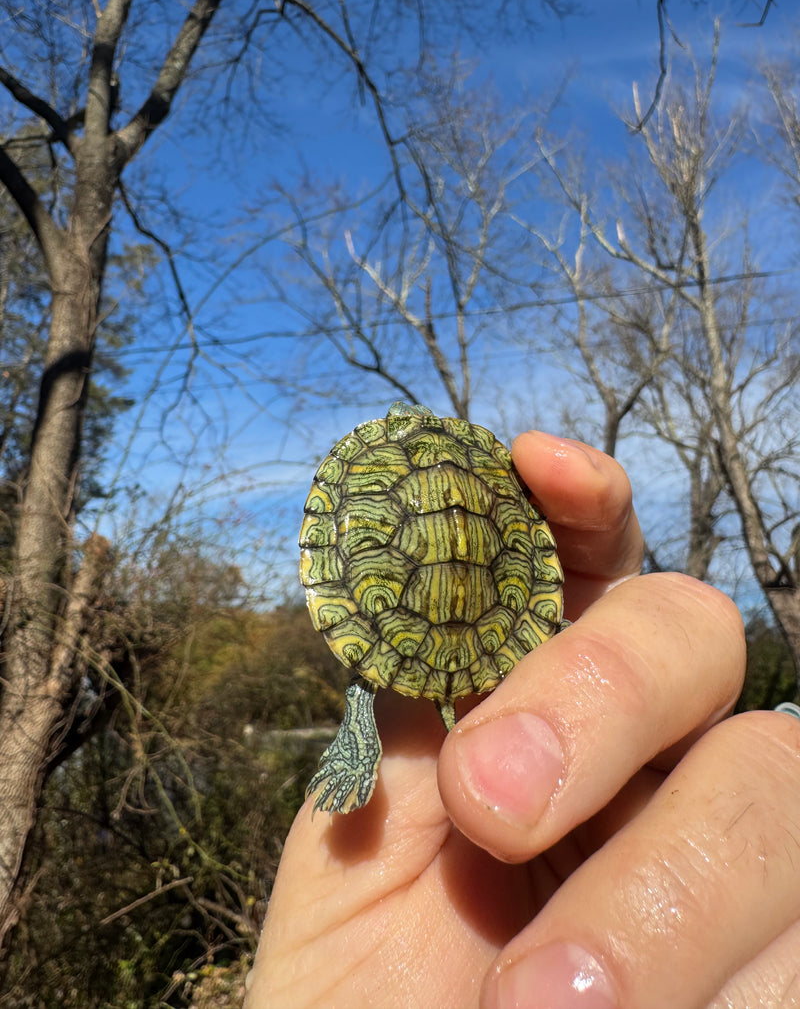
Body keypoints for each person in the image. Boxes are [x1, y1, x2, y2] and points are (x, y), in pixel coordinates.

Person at [245, 430, 800, 1009]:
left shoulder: (363, 469)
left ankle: (369, 718)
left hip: (439, 632)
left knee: (374, 675)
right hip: (500, 630)